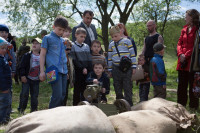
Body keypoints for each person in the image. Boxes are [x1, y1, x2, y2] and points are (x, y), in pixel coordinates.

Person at [40, 16, 68, 108]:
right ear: (53, 27)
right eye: (59, 29)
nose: (61, 32)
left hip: (64, 71)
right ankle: (50, 116)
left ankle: (58, 116)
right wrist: (41, 71)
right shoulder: (47, 38)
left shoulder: (62, 40)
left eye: (63, 30)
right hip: (52, 70)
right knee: (57, 95)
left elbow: (63, 55)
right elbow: (42, 54)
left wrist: (66, 71)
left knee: (63, 94)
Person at [176, 9, 199, 110]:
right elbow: (179, 43)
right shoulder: (184, 29)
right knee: (181, 85)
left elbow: (196, 45)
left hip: (192, 62)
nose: (185, 18)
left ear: (192, 17)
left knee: (192, 85)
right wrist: (180, 54)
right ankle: (181, 105)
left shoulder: (198, 29)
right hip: (181, 61)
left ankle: (193, 107)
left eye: (187, 16)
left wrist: (186, 55)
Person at [108, 25, 136, 106]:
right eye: (112, 37)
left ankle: (129, 105)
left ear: (120, 33)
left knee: (128, 87)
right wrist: (110, 69)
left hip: (127, 68)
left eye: (116, 36)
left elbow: (132, 54)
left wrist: (134, 66)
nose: (114, 38)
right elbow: (109, 57)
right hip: (115, 68)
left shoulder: (127, 41)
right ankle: (119, 105)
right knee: (117, 87)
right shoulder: (111, 44)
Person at [18, 38, 42, 114]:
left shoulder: (42, 56)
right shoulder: (27, 55)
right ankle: (21, 109)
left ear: (41, 46)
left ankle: (34, 111)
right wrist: (22, 76)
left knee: (34, 96)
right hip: (27, 78)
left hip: (36, 79)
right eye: (33, 43)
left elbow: (45, 67)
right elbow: (21, 66)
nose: (34, 45)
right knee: (24, 94)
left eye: (37, 43)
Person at [70, 27, 92, 106]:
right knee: (77, 90)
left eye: (84, 37)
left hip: (86, 71)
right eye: (81, 36)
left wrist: (86, 68)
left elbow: (89, 58)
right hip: (78, 71)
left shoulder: (86, 46)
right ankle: (75, 105)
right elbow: (74, 59)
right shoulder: (72, 46)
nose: (83, 38)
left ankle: (84, 105)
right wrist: (82, 68)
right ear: (76, 35)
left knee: (85, 89)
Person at [0, 37, 12, 125]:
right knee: (3, 105)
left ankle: (5, 118)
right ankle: (1, 121)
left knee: (6, 104)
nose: (4, 50)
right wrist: (4, 88)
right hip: (3, 88)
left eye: (5, 48)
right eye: (2, 48)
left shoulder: (2, 58)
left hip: (6, 87)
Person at [63, 37, 73, 106]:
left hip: (68, 77)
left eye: (69, 45)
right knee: (60, 93)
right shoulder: (61, 56)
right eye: (66, 45)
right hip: (62, 75)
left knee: (65, 92)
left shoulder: (70, 57)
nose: (68, 47)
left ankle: (63, 105)